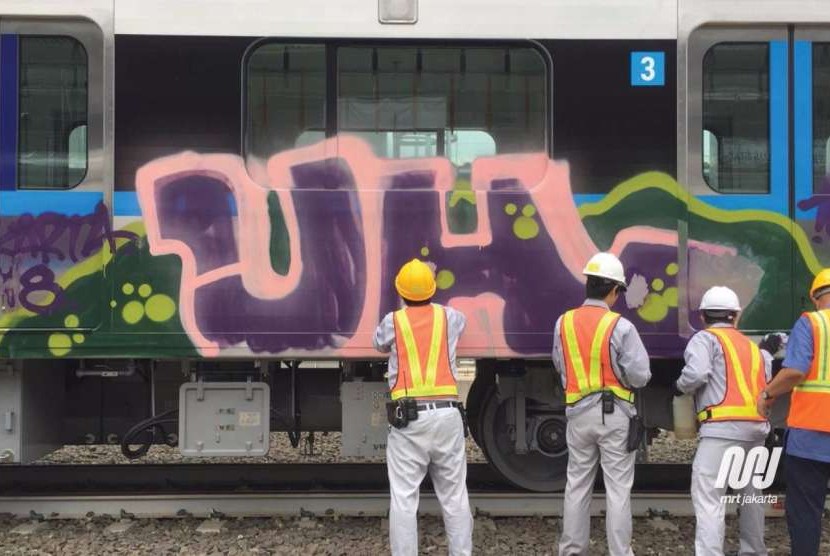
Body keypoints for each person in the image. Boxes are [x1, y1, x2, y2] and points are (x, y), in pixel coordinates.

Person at [553, 252, 651, 556]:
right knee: (618, 489)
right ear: (613, 290)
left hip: (578, 414)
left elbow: (560, 365)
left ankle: (571, 550)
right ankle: (620, 552)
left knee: (577, 484)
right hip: (614, 415)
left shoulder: (563, 322)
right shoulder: (620, 327)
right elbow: (640, 375)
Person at [373, 258, 473, 556]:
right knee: (455, 497)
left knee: (404, 498)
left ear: (400, 292)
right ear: (433, 288)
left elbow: (378, 343)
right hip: (447, 414)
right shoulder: (450, 317)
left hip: (409, 420)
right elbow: (458, 322)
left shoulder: (394, 322)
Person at [674, 286, 773, 556]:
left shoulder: (705, 339)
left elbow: (696, 374)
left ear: (703, 316)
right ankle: (753, 551)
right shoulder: (754, 349)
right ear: (736, 317)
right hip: (755, 431)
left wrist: (680, 387)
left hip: (721, 430)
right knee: (751, 496)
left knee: (709, 498)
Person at [758, 269, 830, 556]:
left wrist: (767, 394)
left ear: (815, 298)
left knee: (805, 513)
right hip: (809, 437)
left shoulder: (812, 323)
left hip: (810, 438)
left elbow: (795, 371)